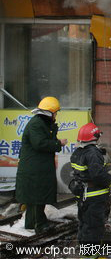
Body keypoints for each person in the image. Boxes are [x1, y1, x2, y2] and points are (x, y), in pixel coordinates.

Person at [15, 97, 67, 233]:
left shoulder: (42, 123)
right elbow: (40, 144)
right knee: (38, 197)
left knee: (35, 197)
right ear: (49, 113)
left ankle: (31, 224)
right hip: (35, 169)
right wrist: (58, 143)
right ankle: (40, 225)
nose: (56, 115)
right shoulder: (36, 124)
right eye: (55, 113)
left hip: (38, 167)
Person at [70, 122, 111, 243]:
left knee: (84, 225)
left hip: (83, 196)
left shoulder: (78, 152)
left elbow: (86, 171)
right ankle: (90, 255)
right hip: (94, 197)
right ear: (95, 137)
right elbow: (98, 175)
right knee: (94, 228)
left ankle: (84, 250)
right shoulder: (93, 153)